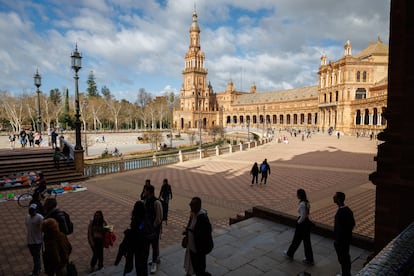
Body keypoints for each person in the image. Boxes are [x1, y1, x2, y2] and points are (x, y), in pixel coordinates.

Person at [115, 200, 150, 276]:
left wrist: (129, 232)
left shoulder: (137, 220)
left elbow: (137, 231)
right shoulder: (145, 218)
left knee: (139, 265)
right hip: (144, 246)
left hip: (137, 246)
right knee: (143, 265)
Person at [284, 189, 314, 265]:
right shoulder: (307, 203)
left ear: (300, 195)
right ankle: (309, 258)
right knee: (306, 242)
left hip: (302, 223)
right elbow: (306, 215)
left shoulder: (302, 204)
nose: (296, 195)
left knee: (296, 240)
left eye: (297, 194)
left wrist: (298, 222)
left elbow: (303, 215)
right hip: (306, 223)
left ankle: (289, 254)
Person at [185, 197, 213, 276]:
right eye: (190, 204)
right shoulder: (193, 214)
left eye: (192, 204)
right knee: (196, 266)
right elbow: (191, 225)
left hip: (199, 249)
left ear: (198, 206)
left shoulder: (202, 218)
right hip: (193, 247)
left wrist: (191, 231)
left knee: (199, 267)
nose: (190, 205)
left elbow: (207, 232)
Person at [333, 192, 355, 276]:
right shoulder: (348, 210)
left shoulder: (341, 212)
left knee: (343, 258)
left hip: (341, 240)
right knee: (345, 257)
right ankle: (346, 273)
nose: (333, 198)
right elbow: (352, 224)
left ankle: (345, 274)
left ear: (338, 199)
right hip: (346, 239)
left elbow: (340, 228)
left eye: (334, 196)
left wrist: (338, 240)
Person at [143, 184, 163, 274]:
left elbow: (159, 217)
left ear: (149, 191)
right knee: (150, 245)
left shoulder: (156, 202)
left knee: (154, 246)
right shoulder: (146, 200)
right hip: (148, 229)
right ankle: (156, 259)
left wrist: (153, 227)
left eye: (145, 190)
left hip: (154, 229)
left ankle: (154, 263)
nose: (144, 192)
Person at [25, 203, 43, 276]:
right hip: (29, 241)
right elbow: (27, 225)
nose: (31, 212)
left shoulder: (40, 217)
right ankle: (39, 267)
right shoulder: (27, 217)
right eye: (30, 210)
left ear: (36, 210)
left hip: (37, 241)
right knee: (34, 256)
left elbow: (43, 229)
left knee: (36, 257)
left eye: (33, 210)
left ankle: (36, 271)